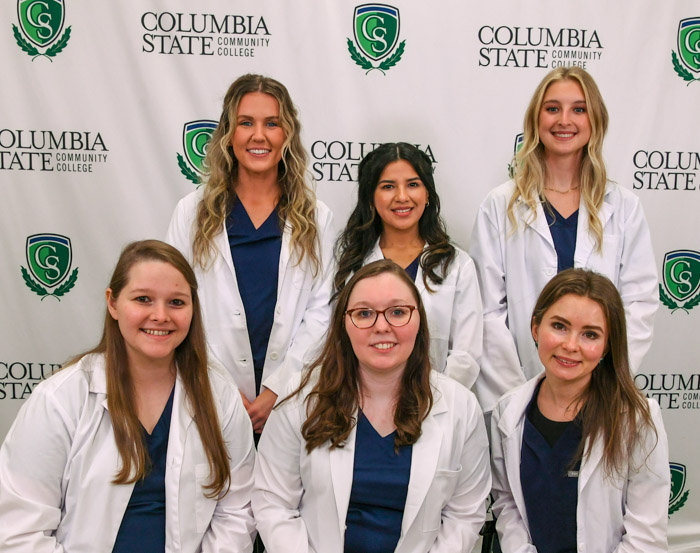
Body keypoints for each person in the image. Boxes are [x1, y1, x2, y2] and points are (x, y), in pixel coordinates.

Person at [0, 240, 256, 552]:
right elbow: (19, 531)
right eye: (143, 299)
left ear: (193, 309)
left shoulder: (220, 395)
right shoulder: (59, 399)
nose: (160, 316)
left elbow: (237, 510)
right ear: (113, 303)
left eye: (177, 302)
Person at [253, 259, 491, 553]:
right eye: (364, 313)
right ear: (344, 324)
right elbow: (273, 503)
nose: (382, 326)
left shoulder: (460, 407)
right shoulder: (301, 397)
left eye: (398, 312)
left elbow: (464, 515)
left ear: (419, 321)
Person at [469, 67, 658, 414]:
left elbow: (638, 305)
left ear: (595, 120)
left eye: (578, 109)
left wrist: (606, 377)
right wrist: (519, 394)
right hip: (516, 389)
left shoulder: (623, 206)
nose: (564, 120)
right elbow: (487, 312)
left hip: (599, 391)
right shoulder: (501, 204)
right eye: (552, 108)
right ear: (536, 119)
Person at [166, 74, 335, 436]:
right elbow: (177, 303)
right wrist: (221, 387)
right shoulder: (191, 213)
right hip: (209, 395)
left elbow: (323, 312)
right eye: (246, 123)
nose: (259, 136)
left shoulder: (317, 218)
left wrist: (280, 387)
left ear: (287, 134)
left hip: (291, 400)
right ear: (228, 133)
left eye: (271, 123)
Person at [490, 268, 669, 553]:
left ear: (607, 346)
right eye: (559, 326)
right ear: (536, 328)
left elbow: (646, 534)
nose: (570, 345)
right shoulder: (507, 412)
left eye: (590, 334)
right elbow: (507, 505)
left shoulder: (637, 418)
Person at [335, 142, 483, 389]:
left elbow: (465, 356)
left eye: (413, 185)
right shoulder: (351, 264)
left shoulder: (456, 265)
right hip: (362, 400)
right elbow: (337, 345)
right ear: (370, 197)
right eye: (388, 187)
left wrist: (433, 400)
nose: (402, 197)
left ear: (427, 195)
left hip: (436, 404)